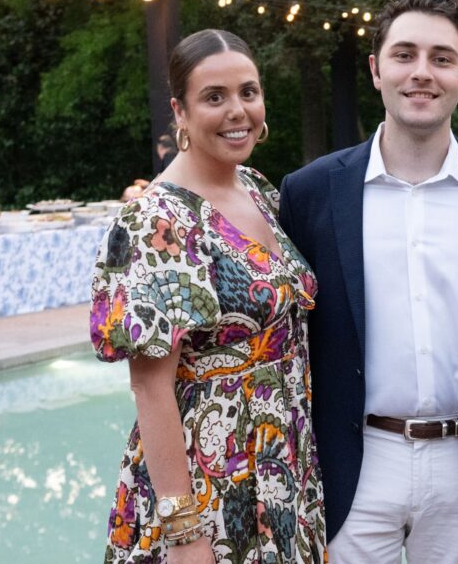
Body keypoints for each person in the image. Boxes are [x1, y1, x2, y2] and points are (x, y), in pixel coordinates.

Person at [278, 0, 458, 563]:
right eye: (405, 54)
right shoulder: (309, 193)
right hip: (355, 465)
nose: (422, 73)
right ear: (376, 70)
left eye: (442, 58)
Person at [90, 29, 325, 563]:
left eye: (249, 92)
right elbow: (150, 387)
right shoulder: (156, 220)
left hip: (280, 461)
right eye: (214, 97)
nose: (238, 111)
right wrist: (183, 531)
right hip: (206, 481)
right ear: (180, 110)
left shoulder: (260, 191)